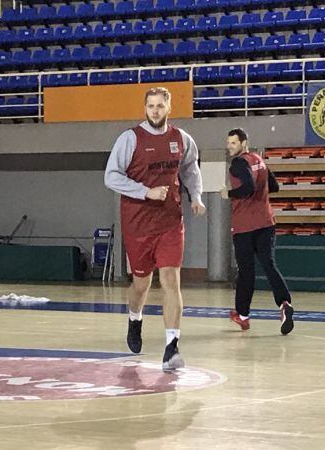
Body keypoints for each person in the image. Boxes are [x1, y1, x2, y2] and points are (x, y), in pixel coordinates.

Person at [104, 87, 205, 372]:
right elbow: (110, 177)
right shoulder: (130, 139)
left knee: (171, 280)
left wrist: (196, 197)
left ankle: (172, 346)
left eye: (160, 105)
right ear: (145, 108)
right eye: (151, 106)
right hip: (138, 223)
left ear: (169, 107)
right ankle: (134, 318)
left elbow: (190, 170)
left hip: (170, 221)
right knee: (141, 284)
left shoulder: (182, 139)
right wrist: (144, 191)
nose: (155, 111)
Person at [220, 128, 294, 335]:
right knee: (269, 264)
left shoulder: (239, 163)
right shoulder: (258, 160)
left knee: (246, 271)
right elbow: (275, 186)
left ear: (244, 143)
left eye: (233, 143)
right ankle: (285, 303)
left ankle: (243, 315)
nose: (229, 147)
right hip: (266, 222)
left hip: (245, 225)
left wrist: (229, 193)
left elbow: (248, 188)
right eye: (228, 143)